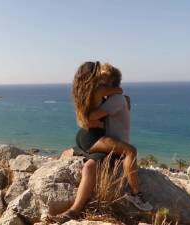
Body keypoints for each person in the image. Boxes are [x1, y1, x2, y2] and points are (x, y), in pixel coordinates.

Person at [51, 62, 152, 223]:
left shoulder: (82, 91)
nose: (100, 77)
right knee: (130, 151)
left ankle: (73, 211)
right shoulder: (105, 92)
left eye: (102, 75)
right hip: (95, 137)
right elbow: (116, 94)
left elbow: (84, 117)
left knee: (90, 166)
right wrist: (122, 97)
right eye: (98, 74)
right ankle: (135, 194)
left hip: (85, 136)